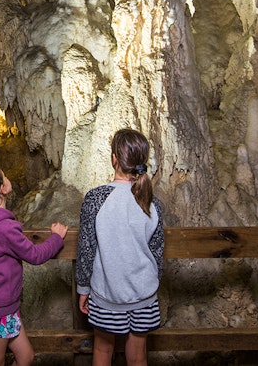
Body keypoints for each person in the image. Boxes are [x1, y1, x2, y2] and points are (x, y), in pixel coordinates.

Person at [76, 128, 164, 366]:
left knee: (103, 352)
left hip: (107, 294)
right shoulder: (152, 202)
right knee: (138, 356)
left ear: (114, 158)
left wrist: (83, 288)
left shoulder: (95, 199)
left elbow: (86, 249)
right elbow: (156, 253)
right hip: (143, 294)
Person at [0, 164, 68, 366]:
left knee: (26, 356)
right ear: (2, 188)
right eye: (4, 175)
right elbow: (35, 255)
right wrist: (56, 238)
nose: (7, 176)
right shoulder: (4, 228)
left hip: (2, 305)